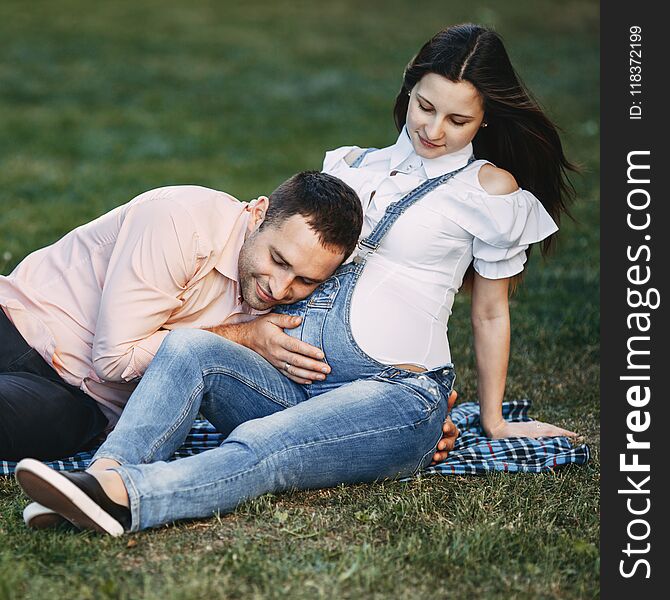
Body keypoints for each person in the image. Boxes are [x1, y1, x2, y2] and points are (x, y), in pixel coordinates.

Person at [16, 23, 578, 535]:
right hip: (295, 382)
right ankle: (96, 480)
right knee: (189, 348)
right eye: (424, 106)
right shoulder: (353, 168)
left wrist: (494, 418)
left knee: (263, 445)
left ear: (485, 119)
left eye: (457, 120)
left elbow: (489, 310)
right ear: (408, 91)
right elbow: (291, 256)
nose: (433, 129)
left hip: (394, 391)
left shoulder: (490, 190)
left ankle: (128, 499)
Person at [1, 171, 363, 460]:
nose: (281, 289)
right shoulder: (179, 222)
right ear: (258, 215)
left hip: (83, 404)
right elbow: (114, 359)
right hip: (18, 325)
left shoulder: (298, 299)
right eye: (279, 261)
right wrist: (243, 336)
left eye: (304, 280)